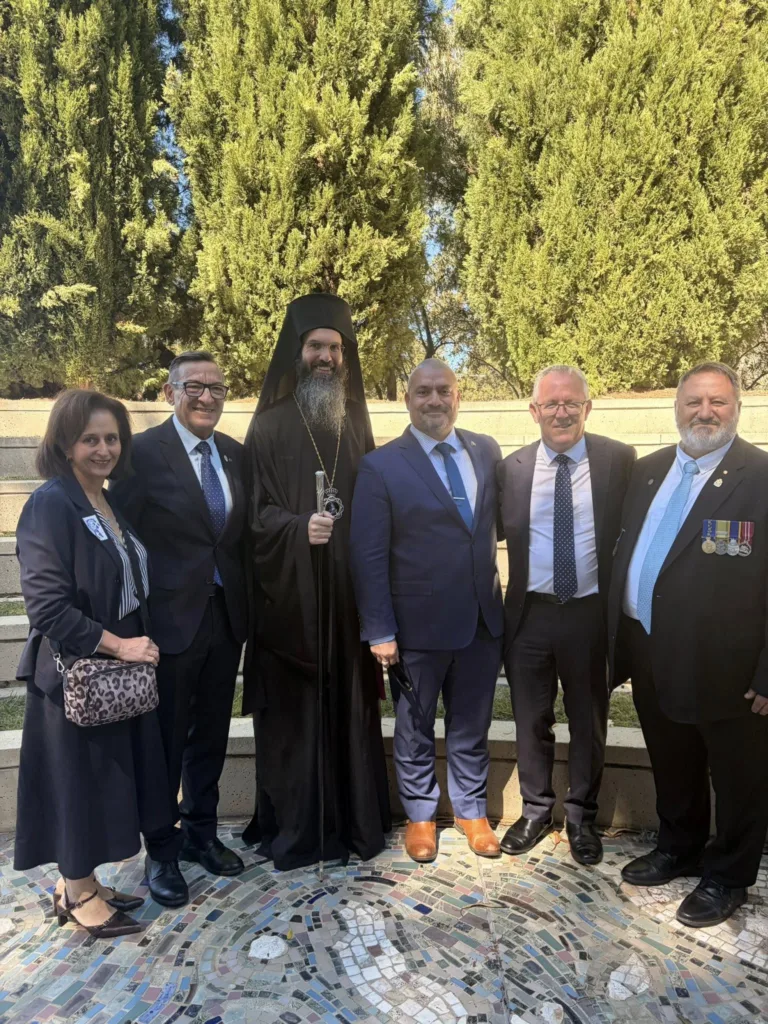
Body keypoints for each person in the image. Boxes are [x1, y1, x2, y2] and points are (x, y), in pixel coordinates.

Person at [608, 362, 768, 927]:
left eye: (718, 402)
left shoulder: (761, 476)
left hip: (731, 669)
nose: (705, 412)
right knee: (672, 760)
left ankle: (727, 876)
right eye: (694, 401)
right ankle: (680, 847)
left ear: (736, 408)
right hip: (651, 650)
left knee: (739, 777)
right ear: (677, 407)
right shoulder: (647, 470)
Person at [241, 293, 390, 869]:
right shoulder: (270, 426)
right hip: (291, 604)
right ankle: (299, 826)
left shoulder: (356, 425)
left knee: (351, 706)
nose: (326, 356)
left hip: (348, 599)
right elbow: (254, 517)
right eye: (315, 347)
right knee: (296, 714)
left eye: (335, 347)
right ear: (296, 353)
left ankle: (355, 819)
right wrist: (299, 528)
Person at [14, 389, 170, 937]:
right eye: (90, 439)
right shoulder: (51, 504)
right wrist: (122, 646)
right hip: (74, 676)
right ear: (64, 442)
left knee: (100, 781)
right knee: (76, 782)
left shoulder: (104, 499)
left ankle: (82, 882)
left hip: (109, 676)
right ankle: (78, 895)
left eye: (111, 438)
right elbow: (48, 606)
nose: (104, 449)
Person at [350, 358, 505, 863]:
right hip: (414, 629)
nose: (434, 400)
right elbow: (368, 555)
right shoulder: (381, 465)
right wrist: (378, 630)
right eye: (423, 392)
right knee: (415, 727)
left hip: (481, 619)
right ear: (407, 399)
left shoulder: (485, 451)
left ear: (458, 396)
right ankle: (420, 814)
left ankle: (470, 809)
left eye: (444, 390)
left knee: (471, 722)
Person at [110, 352, 247, 907]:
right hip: (167, 624)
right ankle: (161, 853)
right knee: (166, 741)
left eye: (217, 387)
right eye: (195, 387)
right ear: (170, 392)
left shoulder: (235, 455)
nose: (207, 397)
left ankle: (201, 833)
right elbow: (120, 537)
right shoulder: (142, 455)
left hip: (224, 617)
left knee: (210, 734)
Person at [497, 366, 635, 865]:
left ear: (587, 408)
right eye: (550, 404)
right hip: (529, 616)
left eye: (571, 403)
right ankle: (535, 810)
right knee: (531, 719)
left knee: (588, 719)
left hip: (588, 615)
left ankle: (581, 816)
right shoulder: (510, 468)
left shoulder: (619, 460)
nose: (561, 412)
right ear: (534, 411)